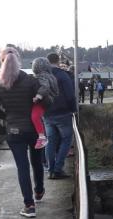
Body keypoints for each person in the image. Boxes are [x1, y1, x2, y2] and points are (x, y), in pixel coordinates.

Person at [0, 46, 44, 217]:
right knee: (36, 161)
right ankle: (39, 190)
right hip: (33, 129)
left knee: (22, 167)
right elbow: (44, 101)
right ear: (19, 60)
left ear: (2, 60)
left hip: (13, 130)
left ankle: (29, 206)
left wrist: (8, 117)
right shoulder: (29, 80)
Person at [44, 52, 77, 180]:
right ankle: (58, 169)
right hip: (63, 113)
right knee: (66, 140)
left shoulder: (43, 76)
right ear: (58, 61)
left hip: (47, 114)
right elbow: (70, 95)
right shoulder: (63, 75)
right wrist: (73, 109)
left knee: (50, 142)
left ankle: (50, 170)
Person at [31, 57, 59, 150]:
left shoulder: (41, 76)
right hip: (50, 101)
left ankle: (42, 137)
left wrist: (38, 96)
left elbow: (45, 87)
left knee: (35, 116)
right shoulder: (50, 76)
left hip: (43, 100)